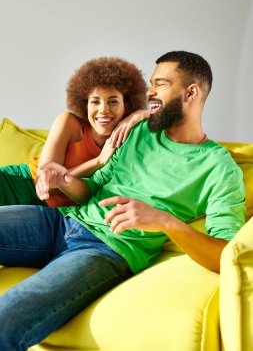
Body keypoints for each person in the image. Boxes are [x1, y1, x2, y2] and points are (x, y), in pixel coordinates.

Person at [0, 51, 245, 350]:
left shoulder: (218, 167)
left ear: (190, 92)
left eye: (160, 84)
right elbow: (95, 188)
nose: (150, 92)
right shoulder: (138, 132)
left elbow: (225, 255)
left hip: (104, 251)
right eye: (150, 84)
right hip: (63, 222)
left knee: (6, 319)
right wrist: (66, 181)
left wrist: (165, 221)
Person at [0, 56, 148, 207]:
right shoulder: (69, 123)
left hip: (57, 214)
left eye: (113, 101)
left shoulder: (130, 137)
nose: (103, 110)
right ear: (85, 106)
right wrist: (98, 162)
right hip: (20, 184)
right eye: (95, 101)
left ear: (127, 106)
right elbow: (46, 183)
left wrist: (142, 114)